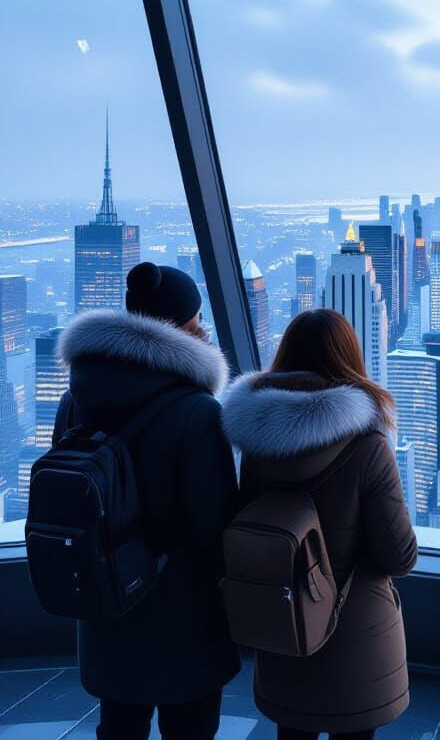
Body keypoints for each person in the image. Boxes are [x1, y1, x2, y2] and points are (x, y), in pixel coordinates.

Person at [53, 262, 240, 740]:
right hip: (182, 615)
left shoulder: (76, 398)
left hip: (106, 597)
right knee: (190, 729)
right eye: (200, 322)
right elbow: (211, 526)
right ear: (182, 329)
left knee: (119, 725)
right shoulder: (196, 412)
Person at [220, 308, 418, 740]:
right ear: (349, 358)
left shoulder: (257, 446)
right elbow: (398, 556)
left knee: (292, 730)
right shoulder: (368, 447)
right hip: (355, 632)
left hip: (284, 625)